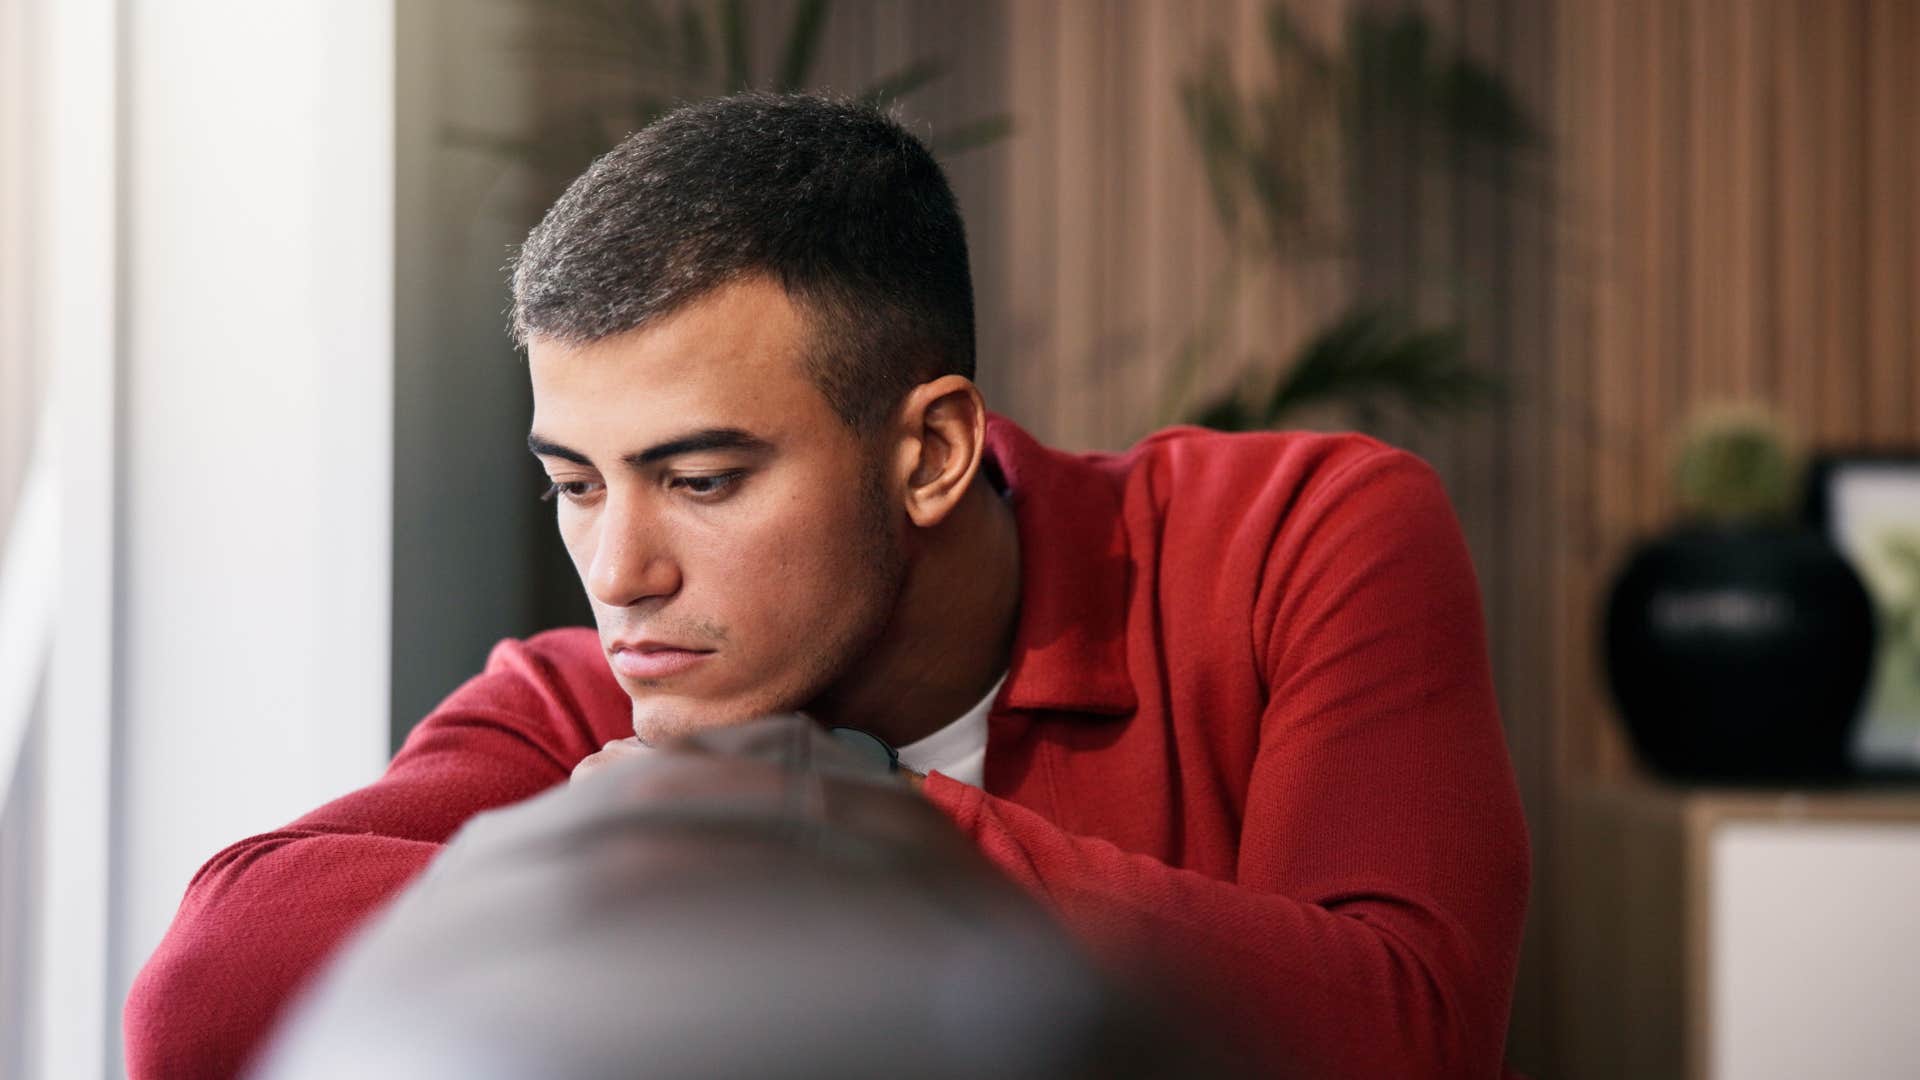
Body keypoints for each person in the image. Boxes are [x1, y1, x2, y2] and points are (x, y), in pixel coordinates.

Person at [125, 92, 1530, 1079]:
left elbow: (1410, 1038)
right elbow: (201, 996)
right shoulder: (600, 697)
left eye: (703, 478)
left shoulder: (1297, 540)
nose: (621, 574)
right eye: (576, 482)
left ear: (928, 451)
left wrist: (804, 821)